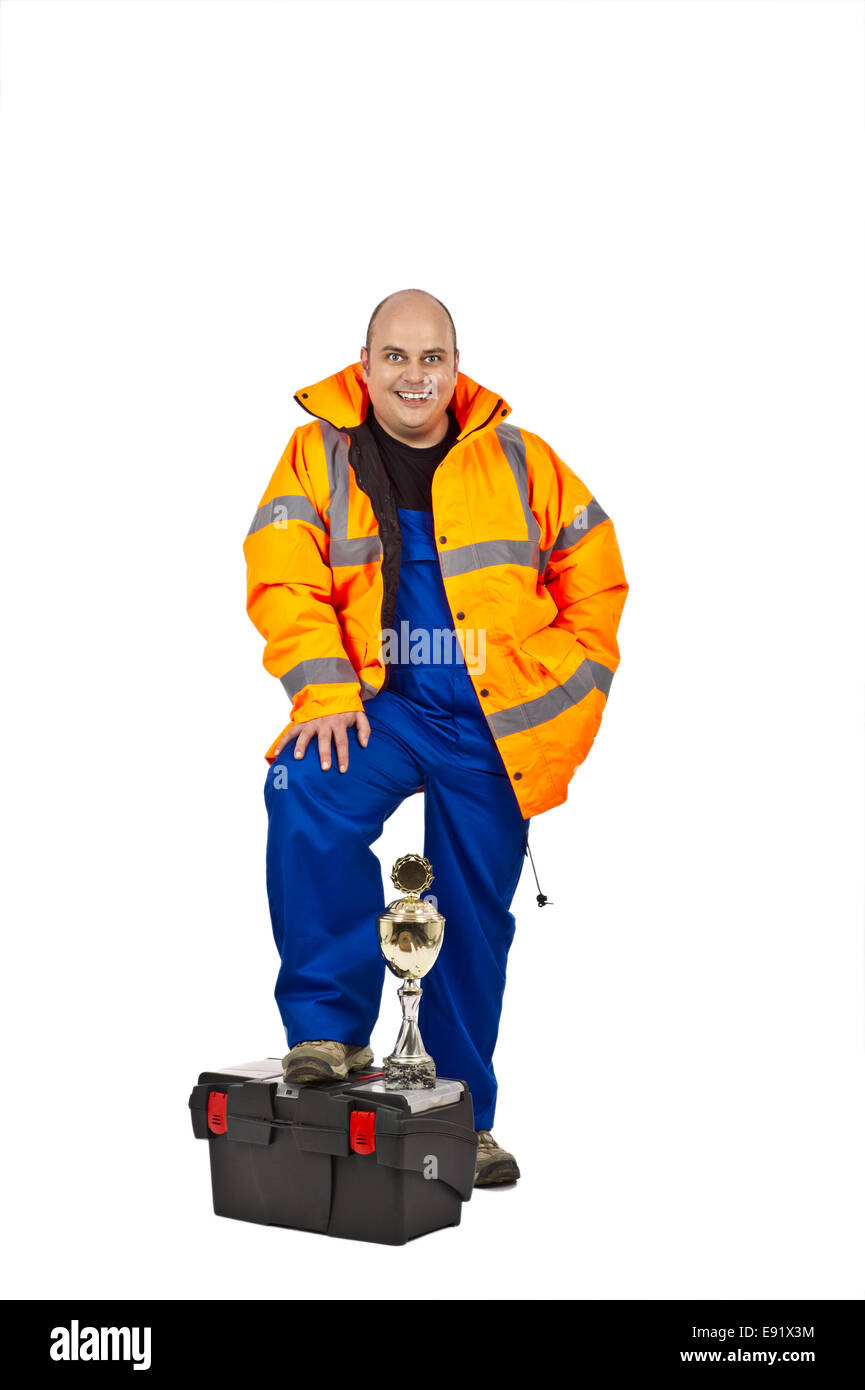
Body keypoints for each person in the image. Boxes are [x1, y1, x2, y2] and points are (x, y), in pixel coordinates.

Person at [243, 288, 629, 1186]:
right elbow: (283, 574)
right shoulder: (317, 454)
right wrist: (322, 693)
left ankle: (460, 1120)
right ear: (365, 362)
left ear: (455, 367)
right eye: (396, 356)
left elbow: (598, 584)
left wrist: (549, 708)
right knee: (304, 789)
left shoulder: (523, 461)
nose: (414, 376)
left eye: (432, 358)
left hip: (493, 719)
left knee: (470, 917)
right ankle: (327, 1034)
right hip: (378, 703)